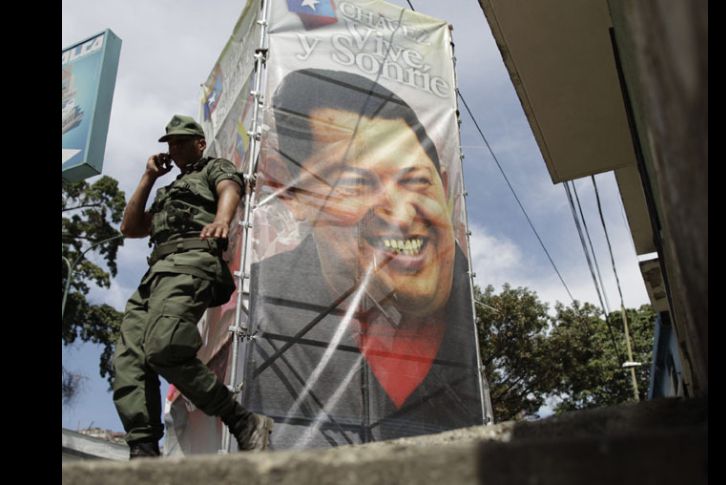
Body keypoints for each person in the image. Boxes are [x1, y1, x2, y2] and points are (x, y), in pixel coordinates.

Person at [242, 69, 484, 449]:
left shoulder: (468, 321)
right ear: (293, 195)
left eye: (416, 181)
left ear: (444, 185)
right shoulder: (256, 311)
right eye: (357, 183)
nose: (402, 215)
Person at [113, 114, 273, 459]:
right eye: (170, 142)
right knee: (130, 358)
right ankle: (143, 448)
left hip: (190, 262)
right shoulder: (168, 189)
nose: (175, 147)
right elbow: (130, 227)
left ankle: (241, 420)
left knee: (164, 347)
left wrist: (221, 219)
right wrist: (149, 176)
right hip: (155, 275)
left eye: (182, 141)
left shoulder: (213, 168)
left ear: (200, 143)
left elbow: (230, 188)